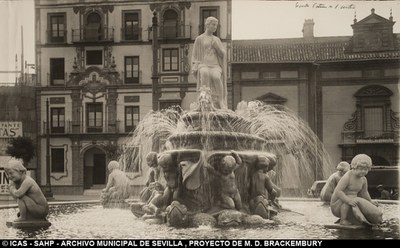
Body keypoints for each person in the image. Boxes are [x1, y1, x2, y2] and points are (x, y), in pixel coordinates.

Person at [330, 154, 383, 226]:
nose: (363, 171)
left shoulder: (363, 179)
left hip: (353, 202)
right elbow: (338, 191)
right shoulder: (348, 176)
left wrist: (370, 201)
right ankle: (343, 219)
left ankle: (359, 219)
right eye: (361, 169)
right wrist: (348, 200)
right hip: (338, 204)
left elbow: (364, 192)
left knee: (356, 200)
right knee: (351, 198)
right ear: (354, 167)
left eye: (366, 169)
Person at [191, 16, 227, 109]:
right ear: (207, 25)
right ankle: (206, 100)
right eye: (213, 24)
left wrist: (217, 47)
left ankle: (220, 101)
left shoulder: (217, 39)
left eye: (216, 25)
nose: (215, 27)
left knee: (216, 77)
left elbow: (223, 54)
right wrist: (194, 65)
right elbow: (194, 55)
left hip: (215, 65)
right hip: (203, 64)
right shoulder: (199, 39)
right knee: (204, 74)